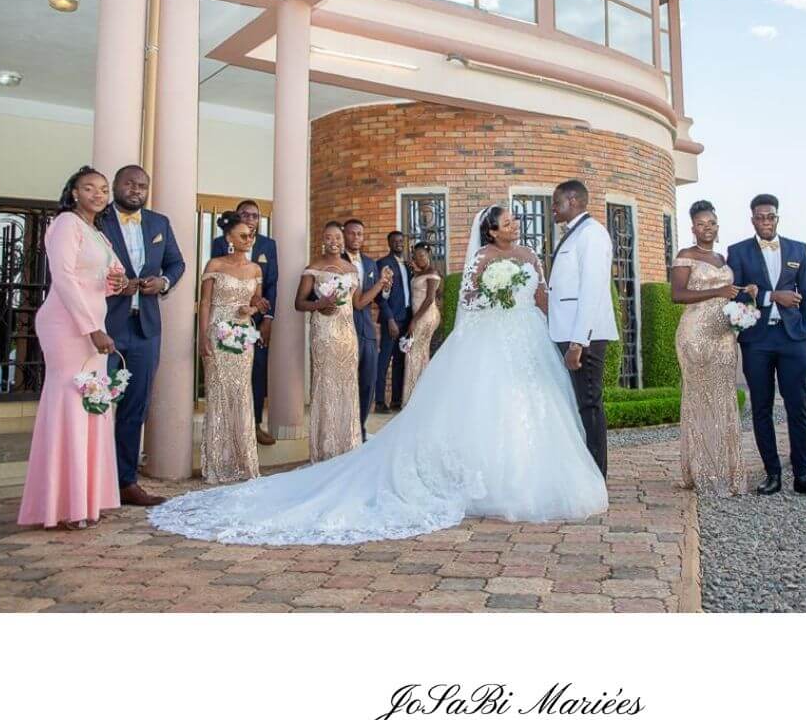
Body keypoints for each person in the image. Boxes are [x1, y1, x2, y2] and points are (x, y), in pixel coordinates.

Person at [148, 205, 607, 545]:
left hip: (526, 337)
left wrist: (563, 336)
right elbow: (467, 302)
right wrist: (496, 304)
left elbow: (543, 296)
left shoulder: (530, 256)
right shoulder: (481, 258)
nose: (515, 227)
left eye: (515, 223)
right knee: (486, 405)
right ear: (490, 229)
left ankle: (525, 475)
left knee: (532, 407)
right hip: (491, 336)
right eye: (508, 221)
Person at [18, 167, 127, 529]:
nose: (98, 194)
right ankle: (60, 506)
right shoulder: (65, 223)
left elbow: (106, 279)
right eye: (89, 188)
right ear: (74, 192)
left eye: (103, 189)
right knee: (69, 404)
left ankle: (85, 501)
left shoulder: (97, 232)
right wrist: (92, 328)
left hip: (93, 324)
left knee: (92, 407)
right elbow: (64, 279)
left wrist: (117, 281)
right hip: (67, 325)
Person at [727, 194, 806, 497]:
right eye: (760, 217)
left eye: (770, 216)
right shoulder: (738, 252)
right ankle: (772, 473)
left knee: (798, 406)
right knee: (761, 407)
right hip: (756, 340)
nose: (765, 222)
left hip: (792, 338)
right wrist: (772, 296)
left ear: (777, 218)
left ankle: (803, 474)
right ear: (752, 220)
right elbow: (735, 295)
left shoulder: (798, 249)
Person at [101, 164, 185, 507]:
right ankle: (94, 481)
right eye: (129, 183)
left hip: (146, 328)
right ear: (115, 186)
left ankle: (125, 482)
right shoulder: (97, 220)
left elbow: (176, 263)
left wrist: (162, 282)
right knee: (97, 405)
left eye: (142, 185)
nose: (136, 189)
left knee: (135, 407)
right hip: (104, 328)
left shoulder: (158, 223)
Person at [670, 201, 750, 496]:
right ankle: (702, 471)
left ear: (718, 226)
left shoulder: (722, 257)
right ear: (693, 228)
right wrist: (718, 290)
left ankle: (727, 470)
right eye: (702, 224)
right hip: (696, 335)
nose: (708, 228)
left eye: (712, 223)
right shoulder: (685, 256)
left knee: (723, 399)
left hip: (724, 337)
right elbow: (677, 295)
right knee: (700, 400)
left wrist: (745, 293)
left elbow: (728, 295)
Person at [295, 221, 391, 462]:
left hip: (347, 334)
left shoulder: (350, 269)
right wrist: (318, 305)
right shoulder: (313, 268)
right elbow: (299, 303)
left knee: (348, 386)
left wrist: (380, 284)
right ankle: (324, 445)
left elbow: (358, 303)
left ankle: (347, 442)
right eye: (330, 237)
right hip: (324, 333)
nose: (334, 241)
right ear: (322, 240)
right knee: (326, 385)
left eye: (338, 237)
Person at [547, 179, 619, 478]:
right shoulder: (575, 233)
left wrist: (578, 343)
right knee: (577, 403)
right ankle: (583, 471)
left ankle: (596, 475)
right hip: (568, 332)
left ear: (573, 200)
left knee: (589, 403)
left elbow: (592, 289)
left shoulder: (592, 234)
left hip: (584, 336)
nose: (552, 207)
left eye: (556, 202)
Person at [198, 213, 264, 484]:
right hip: (217, 331)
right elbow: (204, 303)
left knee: (241, 392)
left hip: (243, 333)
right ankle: (217, 461)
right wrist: (202, 336)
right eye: (243, 235)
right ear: (228, 238)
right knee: (219, 393)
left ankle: (243, 460)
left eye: (251, 234)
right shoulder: (215, 264)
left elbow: (258, 300)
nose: (248, 239)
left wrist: (253, 307)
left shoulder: (255, 270)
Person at [210, 200, 277, 446]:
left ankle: (254, 424)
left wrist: (267, 319)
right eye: (244, 214)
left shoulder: (269, 245)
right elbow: (216, 283)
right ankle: (226, 428)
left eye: (254, 215)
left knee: (257, 372)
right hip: (226, 321)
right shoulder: (220, 244)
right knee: (226, 377)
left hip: (256, 321)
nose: (250, 219)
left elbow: (272, 284)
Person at [341, 218, 380, 441]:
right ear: (344, 234)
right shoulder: (337, 261)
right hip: (343, 327)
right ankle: (345, 429)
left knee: (368, 381)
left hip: (366, 329)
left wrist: (383, 290)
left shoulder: (370, 263)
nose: (356, 238)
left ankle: (360, 428)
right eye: (352, 233)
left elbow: (377, 299)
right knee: (346, 381)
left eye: (360, 234)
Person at [401, 242, 442, 406]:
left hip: (425, 316)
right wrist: (415, 271)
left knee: (413, 354)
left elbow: (430, 298)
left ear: (428, 256)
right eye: (417, 257)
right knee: (420, 354)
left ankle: (411, 399)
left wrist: (414, 320)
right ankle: (422, 397)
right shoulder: (420, 272)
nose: (420, 259)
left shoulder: (432, 272)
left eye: (422, 256)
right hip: (420, 316)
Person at [375, 230, 411, 412]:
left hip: (406, 318)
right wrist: (389, 319)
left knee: (400, 360)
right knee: (384, 360)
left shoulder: (406, 265)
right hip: (392, 320)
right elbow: (380, 297)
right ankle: (380, 402)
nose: (398, 243)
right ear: (389, 244)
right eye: (395, 241)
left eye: (400, 241)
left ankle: (396, 400)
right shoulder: (383, 263)